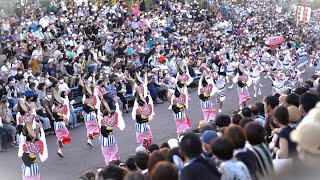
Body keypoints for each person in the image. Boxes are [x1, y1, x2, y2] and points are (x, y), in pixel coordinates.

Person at [99, 98, 125, 165]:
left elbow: (99, 113)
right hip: (111, 137)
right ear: (109, 114)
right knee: (114, 151)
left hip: (104, 139)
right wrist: (116, 103)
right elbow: (116, 112)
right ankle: (112, 159)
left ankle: (108, 163)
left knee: (106, 154)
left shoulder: (102, 120)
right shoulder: (112, 119)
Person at [52, 89, 71, 158]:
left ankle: (59, 150)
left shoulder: (53, 109)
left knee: (59, 135)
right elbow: (65, 110)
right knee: (66, 134)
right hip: (61, 123)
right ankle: (61, 141)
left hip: (55, 124)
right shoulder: (62, 108)